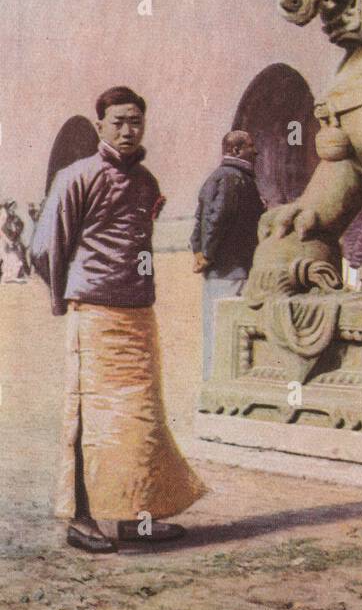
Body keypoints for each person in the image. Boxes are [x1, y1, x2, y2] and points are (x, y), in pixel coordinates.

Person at [31, 87, 206, 554]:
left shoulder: (147, 182)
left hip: (138, 314)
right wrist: (66, 299)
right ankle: (81, 519)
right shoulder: (77, 176)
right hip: (95, 314)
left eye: (136, 122)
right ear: (100, 126)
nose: (128, 131)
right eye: (118, 122)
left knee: (141, 419)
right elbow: (46, 246)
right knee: (92, 418)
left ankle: (136, 521)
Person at [191, 130, 266, 378]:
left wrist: (200, 252)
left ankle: (214, 381)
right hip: (230, 271)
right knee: (223, 331)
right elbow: (216, 218)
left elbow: (202, 219)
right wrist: (208, 254)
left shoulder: (221, 177)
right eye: (250, 146)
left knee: (219, 329)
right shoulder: (232, 179)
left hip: (225, 270)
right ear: (235, 150)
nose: (255, 152)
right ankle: (216, 384)